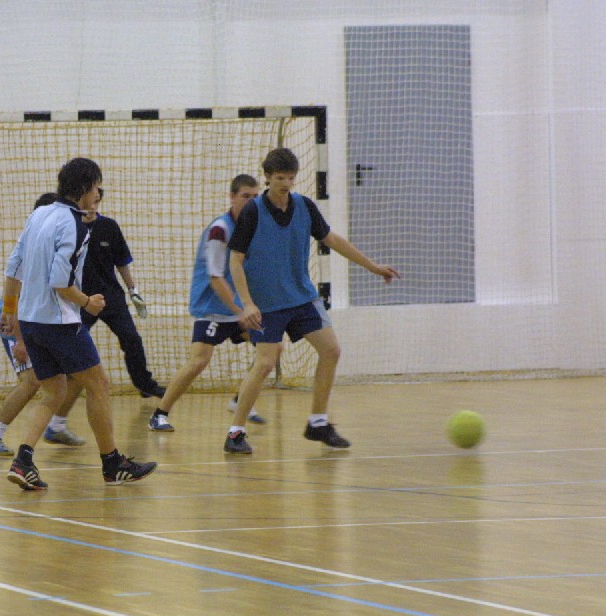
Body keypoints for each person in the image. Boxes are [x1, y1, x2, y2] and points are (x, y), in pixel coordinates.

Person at [224, 148, 399, 454]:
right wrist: (247, 303)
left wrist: (372, 266)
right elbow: (235, 261)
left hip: (301, 297)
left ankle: (318, 422)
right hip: (267, 302)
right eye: (280, 178)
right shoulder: (253, 212)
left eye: (291, 178)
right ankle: (235, 432)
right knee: (264, 364)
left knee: (331, 350)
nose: (286, 183)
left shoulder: (304, 206)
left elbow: (332, 239)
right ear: (268, 177)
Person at [1, 157, 157, 489]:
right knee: (99, 384)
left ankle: (23, 461)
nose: (98, 193)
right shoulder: (76, 226)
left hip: (30, 320)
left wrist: (9, 312)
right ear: (85, 188)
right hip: (59, 322)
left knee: (54, 391)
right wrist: (88, 302)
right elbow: (60, 282)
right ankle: (112, 463)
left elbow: (14, 265)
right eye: (96, 186)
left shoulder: (39, 214)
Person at [146, 174, 276, 433]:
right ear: (232, 197)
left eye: (255, 197)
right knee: (199, 361)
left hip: (239, 307)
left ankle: (240, 400)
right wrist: (240, 310)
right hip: (213, 308)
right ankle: (159, 414)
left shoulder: (256, 226)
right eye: (245, 196)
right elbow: (216, 277)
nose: (251, 202)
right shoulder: (220, 230)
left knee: (272, 350)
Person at [0, 194, 86, 457]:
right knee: (31, 382)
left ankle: (56, 426)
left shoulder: (50, 246)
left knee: (67, 377)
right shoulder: (33, 250)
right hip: (16, 323)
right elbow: (16, 300)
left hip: (33, 322)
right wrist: (19, 341)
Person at [77, 187, 165, 399]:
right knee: (73, 341)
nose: (93, 206)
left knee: (132, 339)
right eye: (90, 201)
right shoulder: (71, 228)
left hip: (111, 296)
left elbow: (122, 262)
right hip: (82, 299)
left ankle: (145, 385)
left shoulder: (109, 227)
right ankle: (65, 387)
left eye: (97, 202)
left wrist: (133, 291)